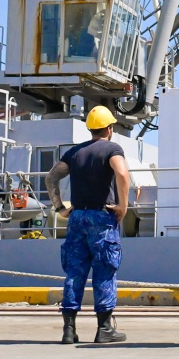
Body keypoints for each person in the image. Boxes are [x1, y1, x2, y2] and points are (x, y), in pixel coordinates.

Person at [45, 105, 130, 344]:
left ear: (90, 128)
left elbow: (51, 177)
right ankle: (104, 329)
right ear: (110, 128)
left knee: (75, 272)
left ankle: (69, 330)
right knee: (104, 270)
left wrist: (60, 208)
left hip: (77, 218)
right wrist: (123, 206)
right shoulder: (112, 148)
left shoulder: (74, 153)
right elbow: (122, 174)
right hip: (102, 217)